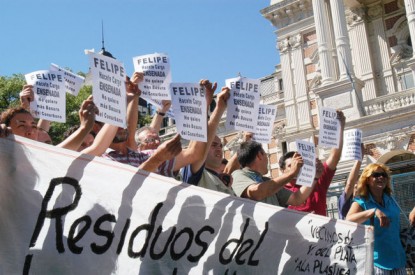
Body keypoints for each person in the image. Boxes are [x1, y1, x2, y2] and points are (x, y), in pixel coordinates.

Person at [281, 110, 346, 216]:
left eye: (299, 163)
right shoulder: (279, 190)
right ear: (282, 170)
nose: (296, 167)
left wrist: (340, 128)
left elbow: (335, 157)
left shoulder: (317, 178)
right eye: (290, 165)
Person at [346, 163, 406, 274]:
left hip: (398, 260)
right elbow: (348, 220)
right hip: (377, 263)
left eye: (384, 175)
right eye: (376, 174)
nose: (381, 177)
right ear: (367, 180)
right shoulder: (361, 202)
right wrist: (373, 211)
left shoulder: (391, 199)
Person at [232, 140, 317, 207]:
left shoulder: (267, 181)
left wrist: (313, 175)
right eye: (266, 154)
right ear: (259, 155)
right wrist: (291, 173)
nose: (268, 159)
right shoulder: (237, 175)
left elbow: (297, 198)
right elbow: (256, 192)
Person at [338, 143, 365, 219]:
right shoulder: (345, 201)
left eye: (360, 183)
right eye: (355, 184)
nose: (357, 186)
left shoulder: (366, 200)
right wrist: (359, 160)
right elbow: (350, 184)